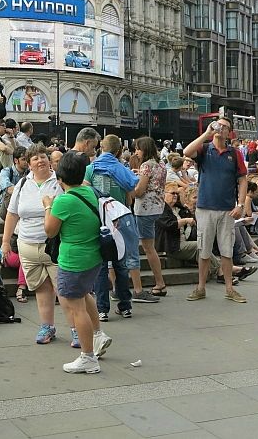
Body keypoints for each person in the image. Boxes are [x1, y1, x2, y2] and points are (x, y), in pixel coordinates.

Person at [42, 151, 112, 374]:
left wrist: (47, 206)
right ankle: (98, 335)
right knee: (84, 294)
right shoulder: (90, 192)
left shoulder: (64, 200)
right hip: (93, 256)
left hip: (74, 260)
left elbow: (50, 230)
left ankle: (88, 357)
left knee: (75, 307)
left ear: (60, 179)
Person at [0, 143, 63, 344]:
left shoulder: (59, 182)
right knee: (41, 288)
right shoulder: (22, 184)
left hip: (54, 245)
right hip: (27, 244)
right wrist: (5, 242)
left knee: (64, 290)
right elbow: (12, 214)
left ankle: (76, 328)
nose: (40, 160)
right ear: (29, 163)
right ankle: (47, 327)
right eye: (35, 158)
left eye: (43, 156)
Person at [183, 116, 248, 303]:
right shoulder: (205, 149)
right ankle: (201, 287)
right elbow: (187, 151)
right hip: (205, 208)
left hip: (227, 209)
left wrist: (241, 204)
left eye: (225, 127)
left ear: (229, 132)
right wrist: (206, 133)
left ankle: (229, 288)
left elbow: (242, 180)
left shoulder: (234, 154)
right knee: (204, 250)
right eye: (219, 125)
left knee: (227, 250)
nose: (221, 129)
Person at [84, 134, 137, 320]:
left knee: (101, 267)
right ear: (119, 151)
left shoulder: (91, 169)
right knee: (120, 264)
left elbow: (86, 191)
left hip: (98, 221)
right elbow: (132, 191)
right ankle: (125, 305)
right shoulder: (121, 168)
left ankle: (102, 309)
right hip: (119, 220)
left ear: (101, 148)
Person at [131, 136, 168, 301]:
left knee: (148, 248)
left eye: (138, 149)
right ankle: (160, 282)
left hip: (144, 209)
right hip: (158, 207)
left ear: (144, 149)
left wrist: (131, 186)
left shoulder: (146, 165)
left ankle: (160, 283)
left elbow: (139, 191)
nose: (136, 152)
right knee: (150, 247)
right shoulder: (160, 164)